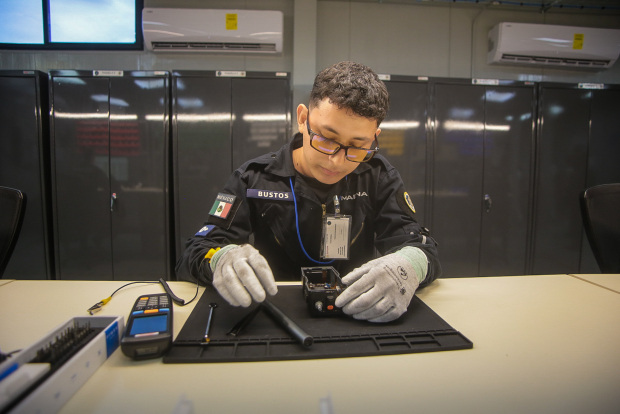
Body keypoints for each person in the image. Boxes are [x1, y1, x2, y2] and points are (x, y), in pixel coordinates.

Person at [176, 61, 441, 322]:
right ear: (303, 119)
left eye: (357, 146)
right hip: (274, 313)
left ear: (374, 138)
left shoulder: (378, 177)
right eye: (326, 138)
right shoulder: (254, 178)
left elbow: (420, 248)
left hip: (354, 313)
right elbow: (199, 249)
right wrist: (221, 259)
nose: (336, 161)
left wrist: (408, 265)